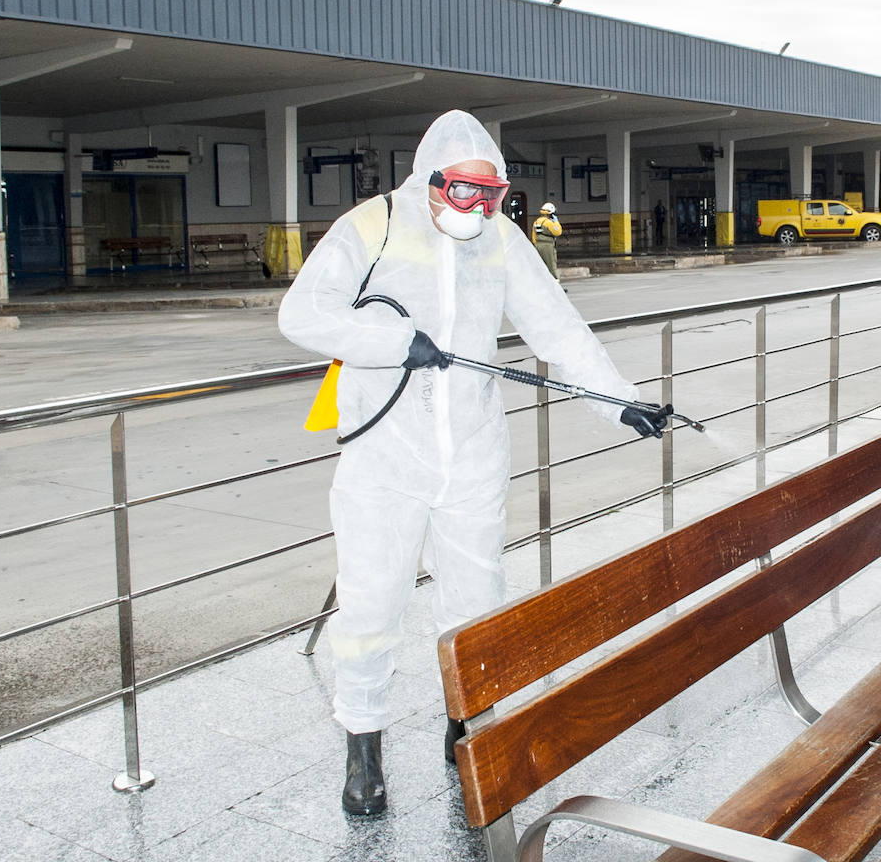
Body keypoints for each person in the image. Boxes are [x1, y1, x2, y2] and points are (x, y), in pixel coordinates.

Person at [278, 110, 668, 817]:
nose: (477, 209)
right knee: (372, 600)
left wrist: (621, 403)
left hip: (474, 454)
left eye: (491, 197)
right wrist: (393, 341)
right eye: (463, 193)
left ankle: (465, 723)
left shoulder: (501, 240)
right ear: (429, 183)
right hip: (383, 456)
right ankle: (362, 740)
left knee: (475, 598)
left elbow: (558, 328)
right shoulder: (372, 226)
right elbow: (302, 316)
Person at [531, 201, 562, 278]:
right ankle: (555, 285)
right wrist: (556, 223)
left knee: (541, 265)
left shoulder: (536, 221)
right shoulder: (549, 222)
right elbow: (558, 232)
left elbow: (534, 236)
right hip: (548, 246)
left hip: (538, 245)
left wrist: (536, 244)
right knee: (551, 265)